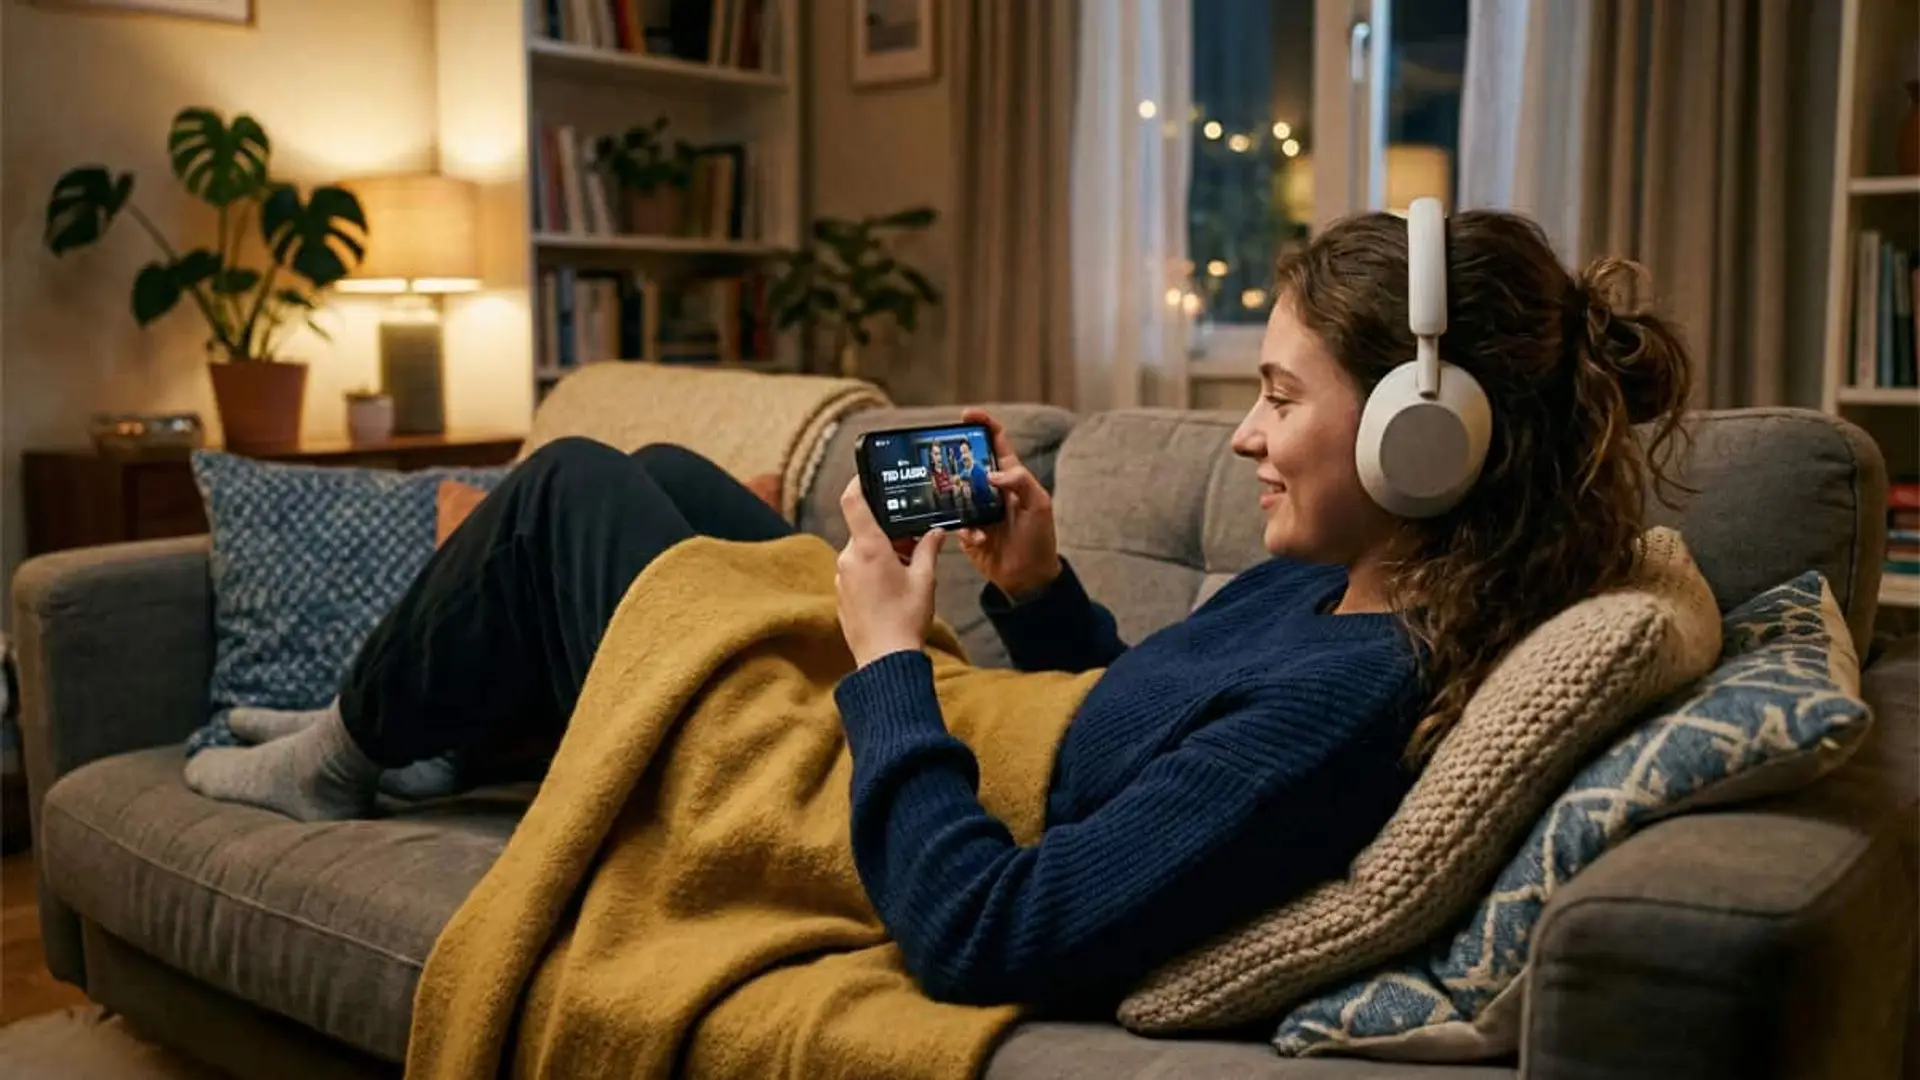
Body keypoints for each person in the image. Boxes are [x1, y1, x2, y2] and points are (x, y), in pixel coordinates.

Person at [183, 208, 1692, 1012]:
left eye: (1281, 396)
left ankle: (342, 752)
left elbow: (990, 928)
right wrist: (1032, 590)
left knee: (573, 486)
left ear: (1419, 442)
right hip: (969, 730)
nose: (1243, 436)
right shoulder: (1344, 580)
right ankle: (430, 728)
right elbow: (1137, 730)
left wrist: (892, 659)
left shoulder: (1351, 705)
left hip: (869, 802)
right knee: (661, 476)